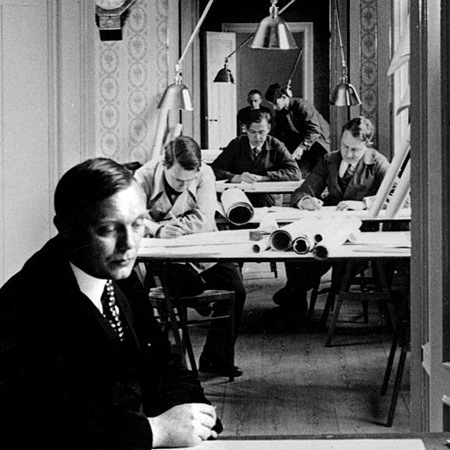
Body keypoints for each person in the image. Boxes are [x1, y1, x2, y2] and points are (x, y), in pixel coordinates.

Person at [0, 158, 222, 450]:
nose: (129, 244)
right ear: (66, 228)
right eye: (107, 229)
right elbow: (40, 424)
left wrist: (194, 412)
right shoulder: (25, 304)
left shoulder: (116, 270)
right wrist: (155, 431)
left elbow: (161, 359)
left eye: (138, 224)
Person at [135, 136, 245, 378]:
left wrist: (163, 224)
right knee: (181, 286)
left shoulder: (205, 173)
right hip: (165, 255)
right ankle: (173, 366)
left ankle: (215, 359)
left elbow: (204, 218)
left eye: (188, 181)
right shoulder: (143, 177)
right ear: (164, 165)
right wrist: (158, 230)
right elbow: (134, 219)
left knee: (237, 290)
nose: (182, 186)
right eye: (177, 179)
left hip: (204, 246)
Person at [272, 116, 390, 318]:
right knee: (297, 245)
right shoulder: (330, 160)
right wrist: (307, 201)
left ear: (367, 145)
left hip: (359, 233)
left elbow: (400, 197)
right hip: (327, 226)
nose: (348, 154)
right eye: (345, 147)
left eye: (355, 150)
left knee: (319, 254)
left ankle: (294, 295)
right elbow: (302, 192)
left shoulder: (378, 162)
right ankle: (296, 299)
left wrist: (363, 204)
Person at [211, 110, 301, 208]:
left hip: (268, 200)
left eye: (261, 132)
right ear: (246, 129)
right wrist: (236, 177)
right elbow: (214, 170)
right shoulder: (236, 144)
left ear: (268, 128)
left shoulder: (276, 145)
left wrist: (263, 178)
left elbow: (295, 173)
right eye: (252, 132)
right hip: (240, 198)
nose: (257, 137)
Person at [265, 82, 331, 178]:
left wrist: (301, 147)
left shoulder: (303, 105)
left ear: (284, 97)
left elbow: (314, 131)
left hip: (319, 144)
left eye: (275, 103)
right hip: (304, 147)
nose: (274, 107)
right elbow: (278, 132)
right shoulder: (281, 112)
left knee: (317, 176)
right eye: (271, 104)